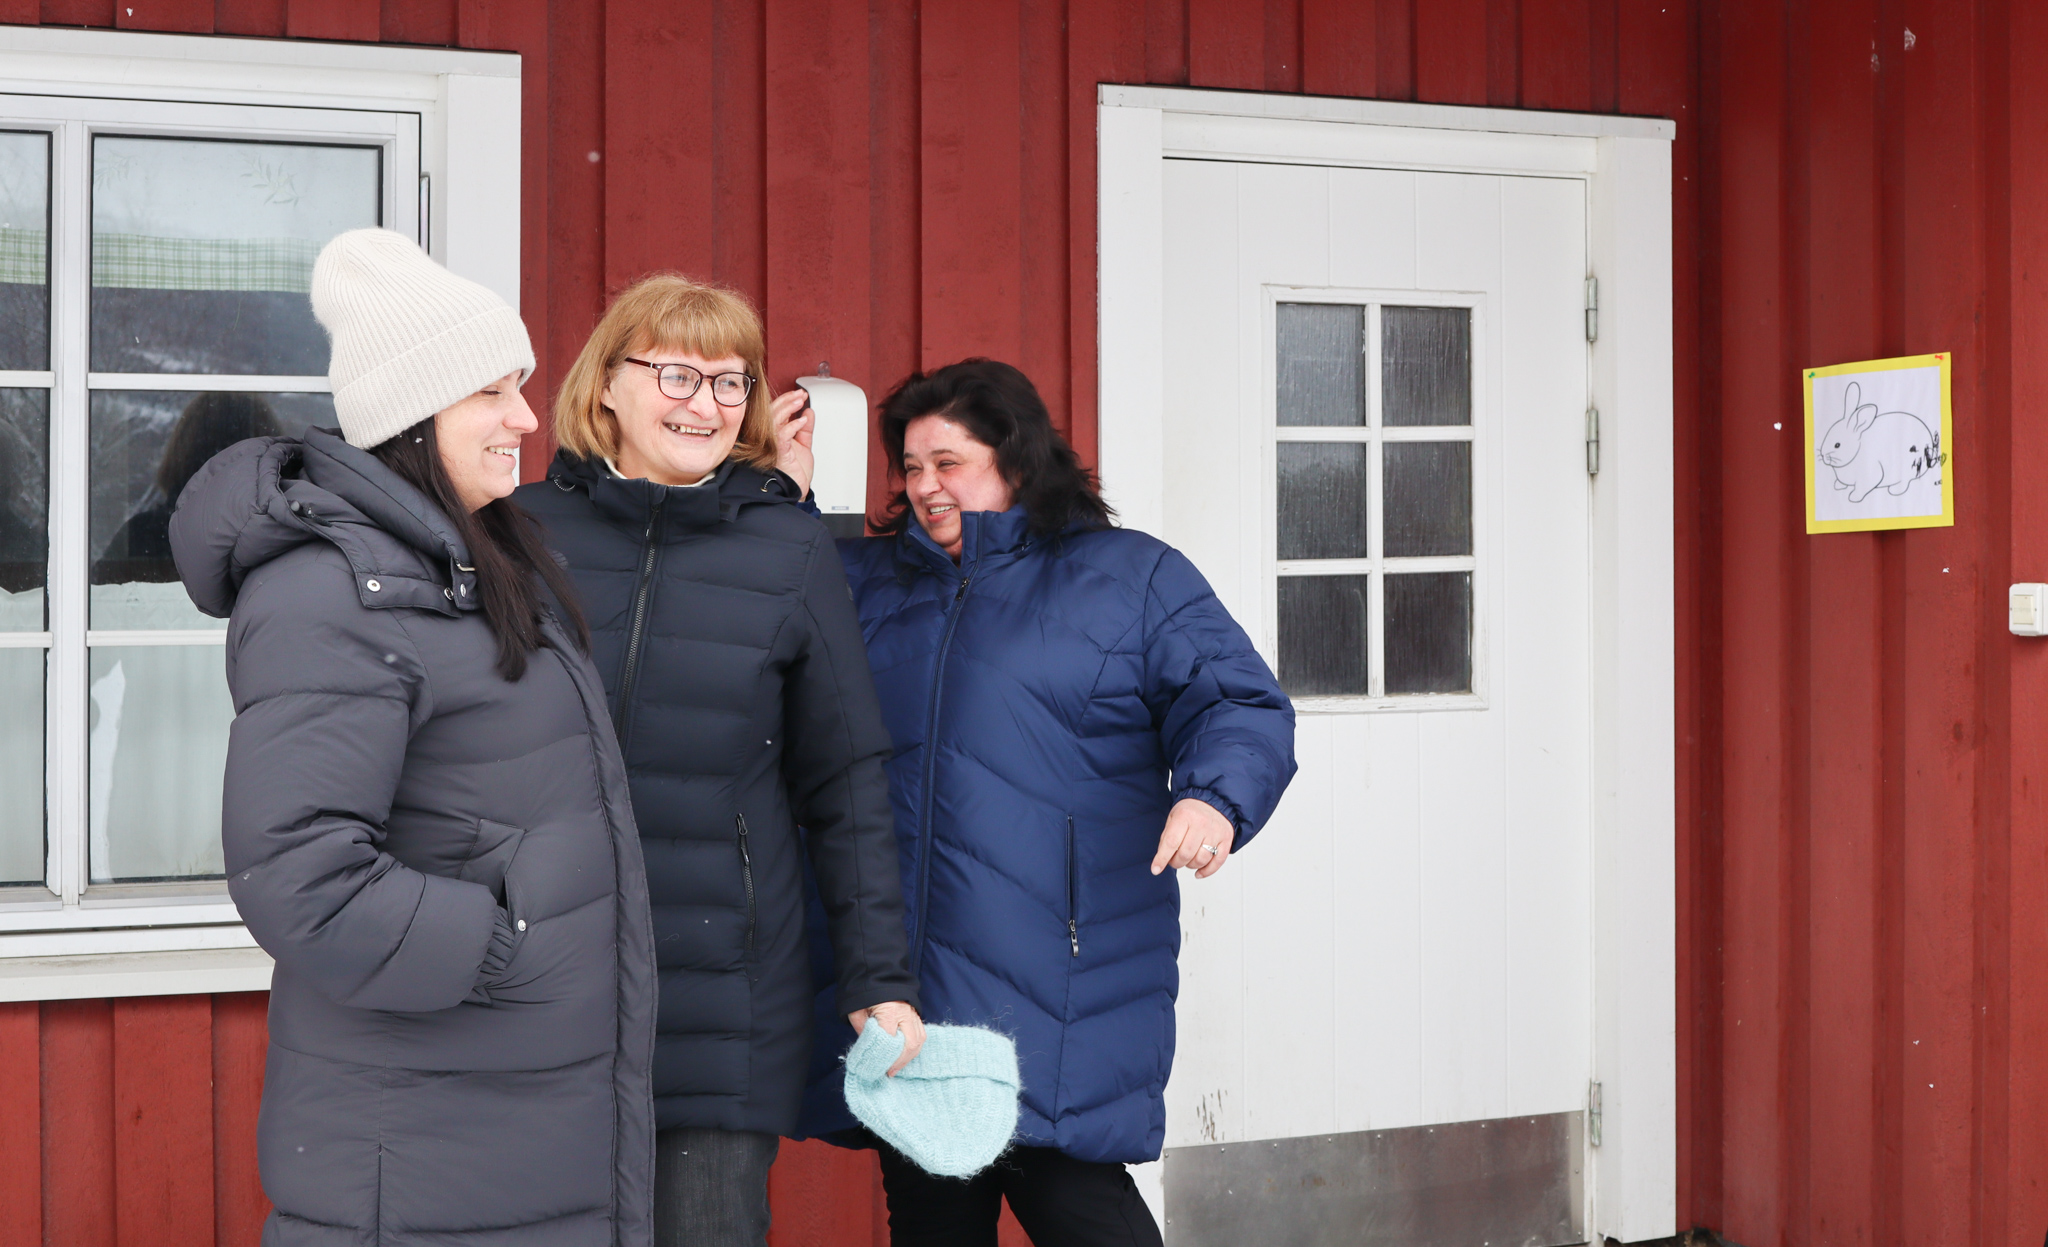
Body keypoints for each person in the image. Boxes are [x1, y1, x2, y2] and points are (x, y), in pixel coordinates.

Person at [169, 228, 657, 1247]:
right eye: (491, 391)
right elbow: (299, 870)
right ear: (413, 413)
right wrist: (500, 950)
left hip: (508, 1111)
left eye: (520, 386)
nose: (526, 417)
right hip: (428, 1127)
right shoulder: (329, 593)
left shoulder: (478, 563)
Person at [782, 359, 1296, 1247]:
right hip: (908, 987)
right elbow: (753, 615)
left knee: (1078, 1206)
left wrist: (1215, 796)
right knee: (933, 1223)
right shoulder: (863, 584)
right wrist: (781, 495)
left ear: (1016, 460)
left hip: (1058, 983)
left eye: (950, 463)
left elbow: (1238, 703)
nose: (926, 486)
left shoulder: (1129, 578)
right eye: (912, 466)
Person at [514, 273, 922, 1247]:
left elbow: (844, 776)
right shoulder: (522, 533)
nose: (706, 403)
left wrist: (878, 975)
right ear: (606, 384)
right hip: (539, 974)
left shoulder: (787, 550)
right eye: (678, 375)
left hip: (722, 986)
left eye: (731, 381)